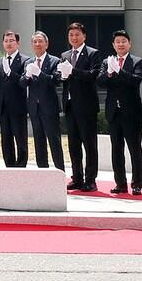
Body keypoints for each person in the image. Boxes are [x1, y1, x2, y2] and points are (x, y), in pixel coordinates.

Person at [99, 29, 142, 195]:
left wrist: (120, 72)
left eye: (123, 41)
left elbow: (136, 80)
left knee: (134, 149)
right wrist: (109, 72)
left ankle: (137, 183)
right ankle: (120, 183)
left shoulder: (137, 61)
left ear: (129, 43)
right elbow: (100, 81)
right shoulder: (108, 61)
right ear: (113, 45)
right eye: (117, 42)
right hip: (114, 111)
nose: (120, 44)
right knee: (116, 149)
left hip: (131, 112)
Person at [58, 21, 101, 191]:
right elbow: (63, 77)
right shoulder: (65, 54)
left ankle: (90, 179)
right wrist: (62, 75)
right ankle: (77, 177)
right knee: (73, 143)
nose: (74, 38)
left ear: (84, 36)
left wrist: (73, 71)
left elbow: (94, 75)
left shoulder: (93, 54)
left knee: (89, 143)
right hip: (69, 104)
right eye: (71, 35)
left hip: (87, 106)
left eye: (77, 34)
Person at [23, 31, 64, 171]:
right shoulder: (28, 62)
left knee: (54, 141)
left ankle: (60, 172)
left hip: (49, 107)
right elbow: (22, 83)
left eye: (40, 41)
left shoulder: (54, 61)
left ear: (46, 44)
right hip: (34, 107)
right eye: (35, 42)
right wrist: (27, 76)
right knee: (39, 142)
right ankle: (43, 173)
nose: (37, 44)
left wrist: (40, 73)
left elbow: (55, 80)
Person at [0, 30, 29, 167]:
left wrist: (11, 73)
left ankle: (21, 166)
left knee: (20, 138)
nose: (8, 43)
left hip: (18, 105)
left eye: (11, 41)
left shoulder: (25, 60)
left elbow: (23, 81)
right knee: (6, 139)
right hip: (3, 105)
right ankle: (9, 166)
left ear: (17, 43)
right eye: (6, 41)